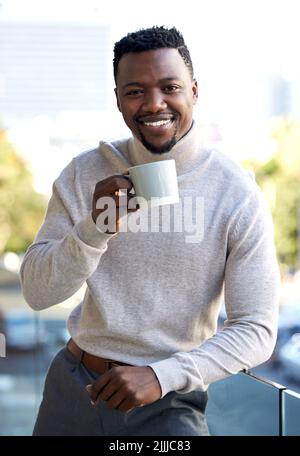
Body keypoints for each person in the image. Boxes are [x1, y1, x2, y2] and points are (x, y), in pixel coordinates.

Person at [20, 26, 280, 436]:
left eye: (169, 87)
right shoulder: (83, 172)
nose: (154, 103)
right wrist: (94, 230)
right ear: (119, 100)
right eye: (135, 91)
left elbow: (257, 329)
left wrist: (162, 376)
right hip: (73, 387)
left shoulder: (237, 194)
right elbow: (37, 293)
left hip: (169, 403)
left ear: (194, 90)